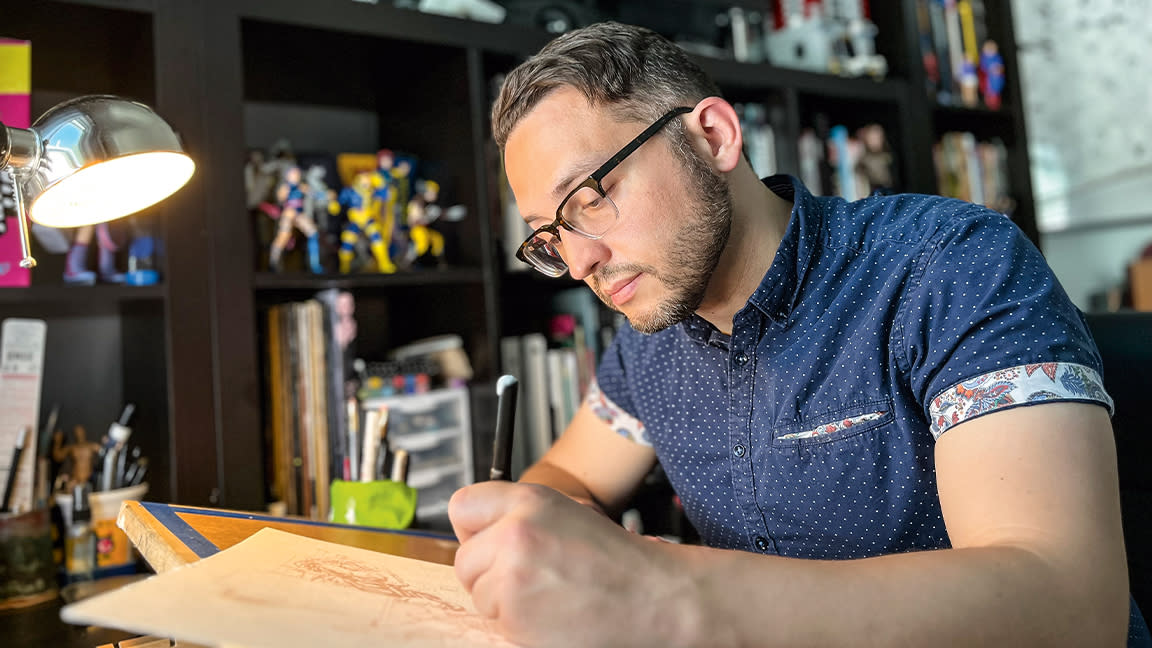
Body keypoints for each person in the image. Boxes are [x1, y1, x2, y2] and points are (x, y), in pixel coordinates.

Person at [446, 21, 1150, 647]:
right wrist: (556, 544)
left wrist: (667, 594)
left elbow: (1070, 608)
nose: (578, 262)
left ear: (714, 136)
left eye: (588, 200)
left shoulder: (950, 266)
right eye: (549, 238)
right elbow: (568, 477)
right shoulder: (652, 332)